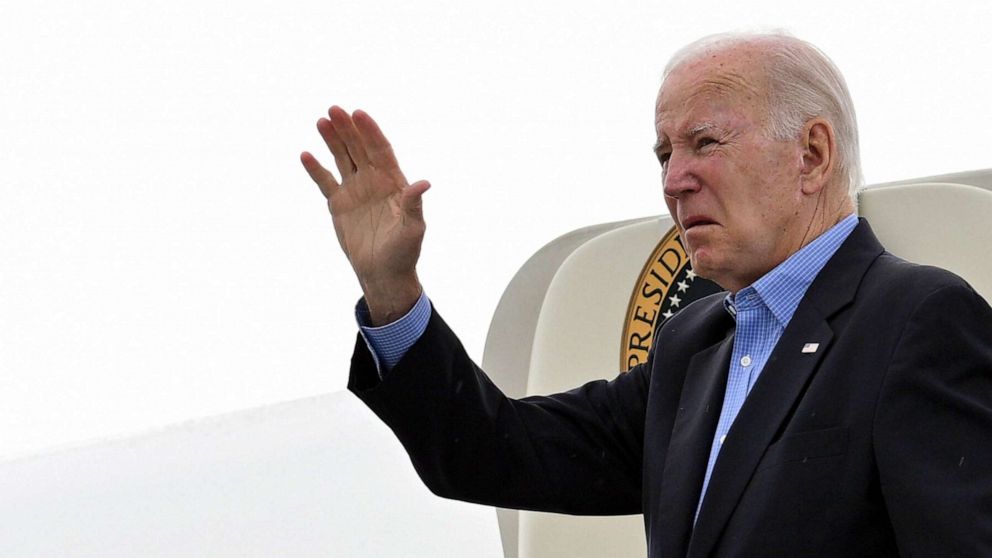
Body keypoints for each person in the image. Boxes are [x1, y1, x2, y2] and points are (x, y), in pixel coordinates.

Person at [301, 32, 992, 556]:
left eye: (704, 142)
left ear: (812, 155)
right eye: (665, 154)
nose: (674, 180)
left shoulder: (917, 319)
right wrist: (391, 290)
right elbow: (496, 451)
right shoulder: (693, 349)